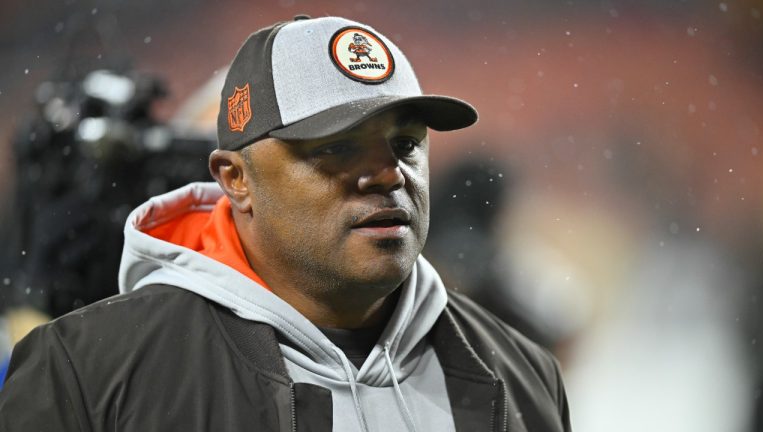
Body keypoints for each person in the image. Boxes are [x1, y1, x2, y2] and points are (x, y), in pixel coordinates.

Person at [0, 15, 571, 431]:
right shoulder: (86, 372)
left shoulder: (521, 371)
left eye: (405, 144)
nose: (387, 175)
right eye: (336, 150)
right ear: (235, 178)